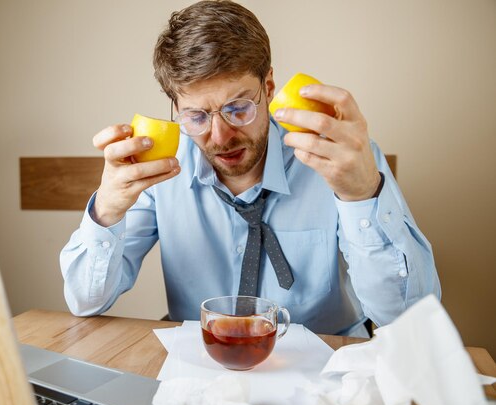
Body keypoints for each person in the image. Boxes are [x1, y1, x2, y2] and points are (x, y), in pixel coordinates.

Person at [60, 0, 440, 337]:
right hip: (204, 365)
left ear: (269, 86)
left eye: (238, 108)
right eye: (196, 116)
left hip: (329, 369)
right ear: (175, 108)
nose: (220, 135)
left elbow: (408, 322)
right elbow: (85, 302)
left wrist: (361, 196)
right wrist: (106, 211)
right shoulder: (160, 172)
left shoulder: (340, 158)